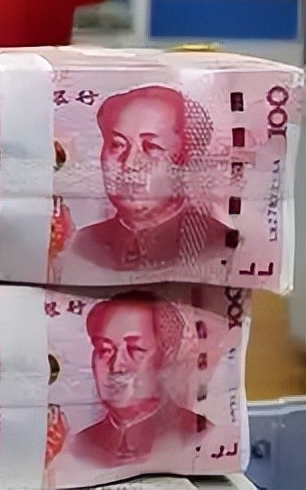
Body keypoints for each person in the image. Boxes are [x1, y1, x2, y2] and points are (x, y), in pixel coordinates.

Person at [71, 84, 234, 272]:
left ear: (187, 161)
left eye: (151, 147)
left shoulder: (220, 246)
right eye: (117, 145)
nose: (129, 164)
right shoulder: (81, 245)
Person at [70, 290, 211, 467]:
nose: (116, 367)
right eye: (104, 350)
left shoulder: (199, 436)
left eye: (135, 350)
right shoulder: (80, 446)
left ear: (166, 356)